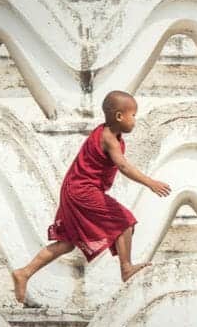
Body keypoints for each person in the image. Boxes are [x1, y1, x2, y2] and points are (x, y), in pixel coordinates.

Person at [11, 91, 170, 305]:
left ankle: (24, 272)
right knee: (125, 221)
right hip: (83, 191)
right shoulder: (108, 138)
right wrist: (150, 182)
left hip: (73, 189)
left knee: (67, 243)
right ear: (120, 116)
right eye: (133, 115)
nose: (135, 120)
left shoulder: (108, 134)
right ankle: (126, 268)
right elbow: (122, 165)